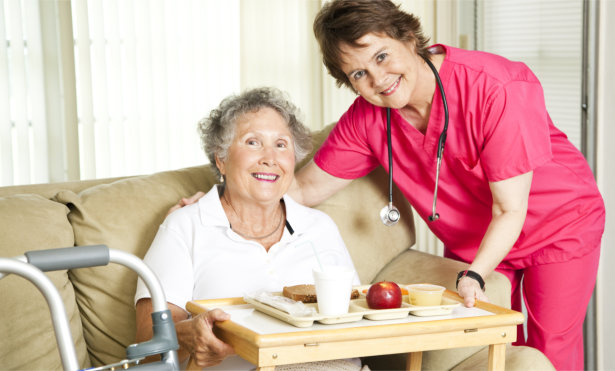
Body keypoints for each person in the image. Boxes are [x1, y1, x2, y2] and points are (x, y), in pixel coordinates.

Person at [134, 87, 362, 370]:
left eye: (281, 145)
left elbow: (357, 318)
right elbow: (148, 344)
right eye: (253, 142)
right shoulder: (185, 226)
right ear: (221, 159)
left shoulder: (320, 227)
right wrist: (190, 334)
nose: (270, 157)